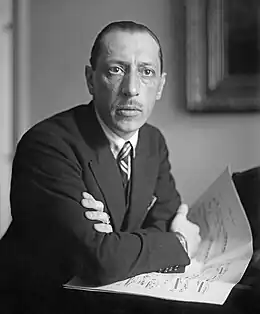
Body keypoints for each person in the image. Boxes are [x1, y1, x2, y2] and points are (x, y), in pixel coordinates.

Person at [0, 21, 201, 312]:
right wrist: (179, 243)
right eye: (116, 70)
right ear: (90, 79)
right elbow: (98, 261)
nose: (131, 89)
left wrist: (115, 242)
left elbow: (163, 216)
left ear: (160, 86)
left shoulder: (153, 141)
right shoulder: (47, 145)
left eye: (146, 72)